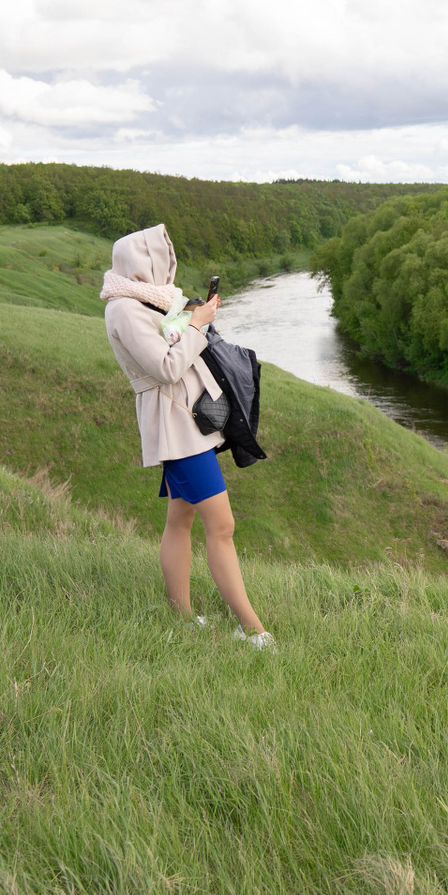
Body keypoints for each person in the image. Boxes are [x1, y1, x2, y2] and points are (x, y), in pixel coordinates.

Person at [100, 225, 272, 650]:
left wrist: (192, 317)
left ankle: (180, 617)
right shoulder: (124, 309)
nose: (168, 266)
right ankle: (253, 630)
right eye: (163, 258)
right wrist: (196, 325)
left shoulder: (148, 300)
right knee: (222, 525)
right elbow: (166, 367)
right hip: (176, 428)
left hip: (187, 424)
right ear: (146, 262)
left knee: (180, 519)